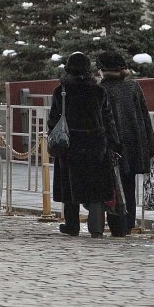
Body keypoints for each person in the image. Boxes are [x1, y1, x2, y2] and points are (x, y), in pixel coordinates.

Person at [48, 51, 121, 238]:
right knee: (96, 189)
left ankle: (72, 225)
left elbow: (53, 121)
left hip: (70, 146)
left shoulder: (61, 92)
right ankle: (96, 228)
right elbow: (108, 119)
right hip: (96, 144)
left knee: (70, 186)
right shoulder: (98, 91)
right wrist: (114, 143)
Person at [97, 50, 154, 236]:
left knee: (113, 185)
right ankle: (128, 222)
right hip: (134, 145)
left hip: (112, 146)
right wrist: (150, 144)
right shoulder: (133, 87)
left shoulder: (102, 89)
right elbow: (144, 116)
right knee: (129, 183)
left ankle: (117, 223)